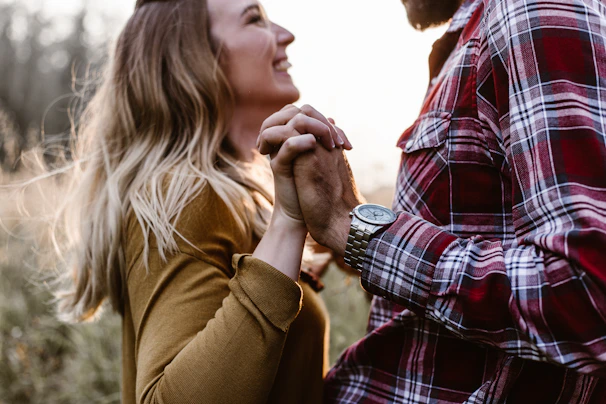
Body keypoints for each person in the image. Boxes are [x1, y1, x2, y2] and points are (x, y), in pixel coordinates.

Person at [259, 0, 606, 401]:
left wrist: (351, 226)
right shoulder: (480, 35)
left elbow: (585, 292)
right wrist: (350, 225)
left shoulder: (532, 12)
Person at [45, 0, 351, 403]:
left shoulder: (237, 197)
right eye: (253, 18)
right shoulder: (185, 196)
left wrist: (341, 211)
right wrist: (288, 224)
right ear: (194, 58)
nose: (284, 34)